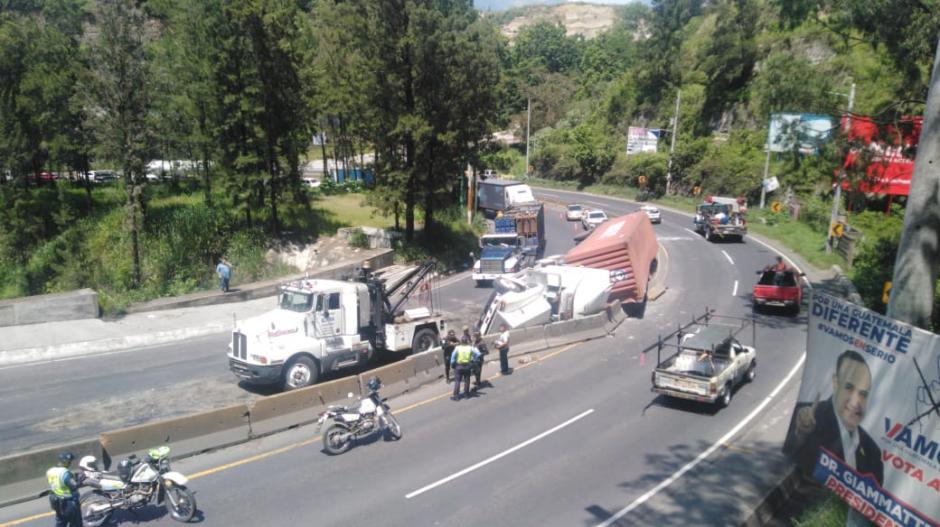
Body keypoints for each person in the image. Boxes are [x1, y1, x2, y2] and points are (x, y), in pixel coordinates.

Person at [783, 350, 883, 485]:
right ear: (835, 383)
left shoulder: (873, 453)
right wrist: (801, 434)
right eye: (849, 387)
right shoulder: (807, 417)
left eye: (863, 394)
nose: (855, 402)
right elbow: (788, 454)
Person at [46, 452, 83, 527]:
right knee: (76, 524)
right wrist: (81, 479)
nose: (70, 463)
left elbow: (59, 482)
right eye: (70, 461)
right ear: (67, 462)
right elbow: (74, 486)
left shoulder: (50, 471)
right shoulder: (65, 473)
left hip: (57, 502)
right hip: (69, 503)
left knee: (61, 523)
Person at [450, 335, 480, 401]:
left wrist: (452, 364)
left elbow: (453, 356)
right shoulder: (470, 348)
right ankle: (466, 394)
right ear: (467, 341)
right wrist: (473, 360)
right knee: (467, 380)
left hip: (459, 366)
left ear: (461, 341)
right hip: (467, 366)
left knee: (458, 381)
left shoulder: (457, 348)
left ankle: (456, 396)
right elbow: (478, 354)